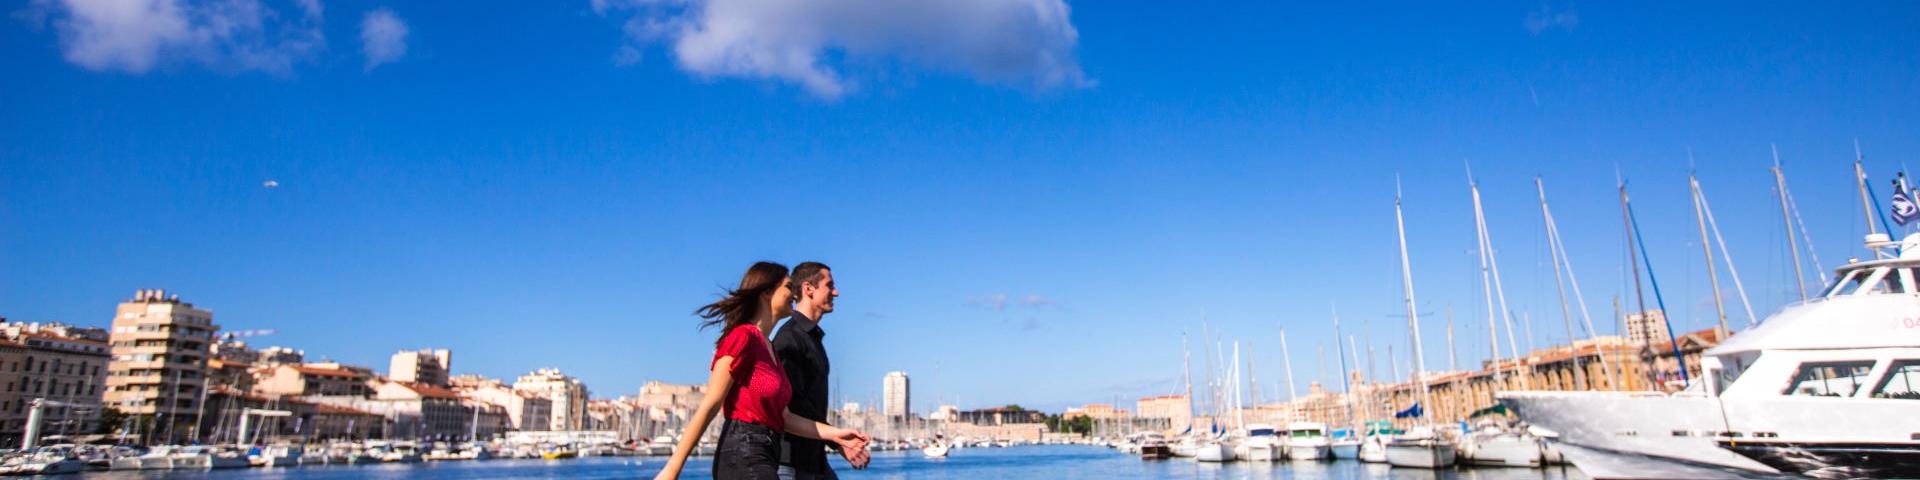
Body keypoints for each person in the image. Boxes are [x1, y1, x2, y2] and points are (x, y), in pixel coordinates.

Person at [655, 262, 869, 480]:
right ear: (767, 293)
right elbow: (711, 403)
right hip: (742, 451)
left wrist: (837, 435)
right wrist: (672, 470)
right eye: (788, 287)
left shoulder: (770, 351)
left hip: (766, 453)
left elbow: (785, 417)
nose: (794, 294)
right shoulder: (743, 337)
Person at [774, 262, 865, 479]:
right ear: (808, 289)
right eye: (829, 285)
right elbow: (793, 403)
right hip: (793, 463)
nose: (836, 292)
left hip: (815, 460)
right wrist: (837, 439)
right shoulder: (789, 338)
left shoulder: (813, 339)